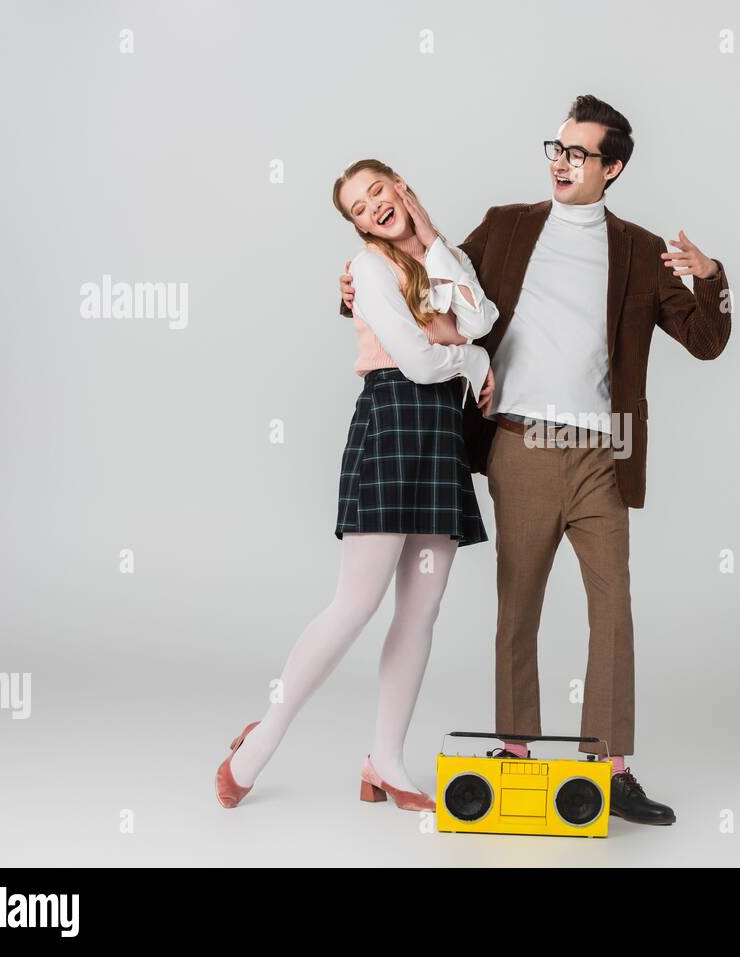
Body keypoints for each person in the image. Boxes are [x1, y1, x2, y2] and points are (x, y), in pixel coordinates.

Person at [338, 96, 734, 825]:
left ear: (611, 168)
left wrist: (709, 277)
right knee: (517, 609)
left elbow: (706, 341)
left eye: (579, 154)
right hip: (520, 445)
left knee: (613, 608)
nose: (561, 161)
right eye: (556, 148)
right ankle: (515, 752)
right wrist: (356, 292)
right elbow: (435, 287)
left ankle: (611, 769)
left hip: (601, 456)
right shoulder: (508, 226)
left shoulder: (642, 251)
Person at [216, 159, 498, 812]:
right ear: (355, 225)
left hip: (440, 434)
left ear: (401, 186)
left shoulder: (439, 254)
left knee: (422, 609)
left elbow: (479, 318)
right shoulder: (368, 269)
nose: (374, 208)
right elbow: (421, 361)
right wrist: (472, 358)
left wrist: (433, 242)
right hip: (394, 421)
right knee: (355, 603)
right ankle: (261, 739)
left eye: (379, 192)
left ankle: (386, 760)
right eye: (359, 208)